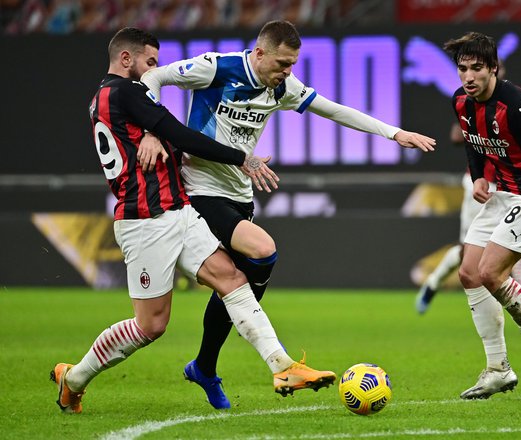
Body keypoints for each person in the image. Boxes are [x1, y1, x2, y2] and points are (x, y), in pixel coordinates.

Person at [139, 19, 436, 409]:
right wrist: (153, 130)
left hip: (240, 196)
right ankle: (257, 363)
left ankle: (205, 367)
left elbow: (335, 110)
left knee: (237, 285)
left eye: (292, 64)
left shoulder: (282, 87)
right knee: (262, 250)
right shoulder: (217, 67)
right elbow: (153, 78)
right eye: (281, 63)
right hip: (199, 190)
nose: (287, 72)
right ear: (258, 53)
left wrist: (394, 133)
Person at [50, 27, 336, 414]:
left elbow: (161, 132)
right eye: (150, 62)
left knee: (232, 280)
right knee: (150, 326)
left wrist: (153, 132)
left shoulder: (103, 99)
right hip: (144, 220)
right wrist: (242, 158)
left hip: (178, 209)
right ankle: (75, 378)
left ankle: (282, 366)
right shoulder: (127, 93)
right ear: (126, 59)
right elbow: (181, 134)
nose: (155, 70)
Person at [443, 31, 521, 400]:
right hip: (503, 194)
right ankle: (498, 368)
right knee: (469, 274)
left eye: (477, 69)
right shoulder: (461, 103)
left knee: (489, 273)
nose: (468, 76)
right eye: (463, 69)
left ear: (494, 69)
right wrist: (479, 175)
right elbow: (472, 144)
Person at [415, 64, 521, 338]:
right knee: (469, 252)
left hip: (512, 187)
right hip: (480, 185)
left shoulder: (515, 105)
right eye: (467, 70)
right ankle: (432, 283)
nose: (473, 77)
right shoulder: (472, 104)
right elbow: (458, 135)